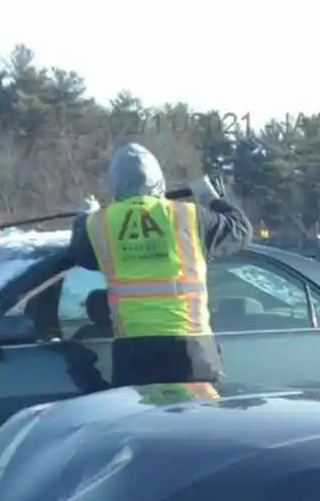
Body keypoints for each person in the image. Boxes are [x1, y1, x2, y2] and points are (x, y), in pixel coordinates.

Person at [68, 143, 252, 386]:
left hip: (134, 352)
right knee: (195, 422)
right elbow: (240, 230)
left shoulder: (99, 224)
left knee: (140, 422)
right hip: (190, 348)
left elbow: (81, 255)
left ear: (114, 183)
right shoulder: (189, 216)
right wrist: (211, 198)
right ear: (158, 179)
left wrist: (82, 219)